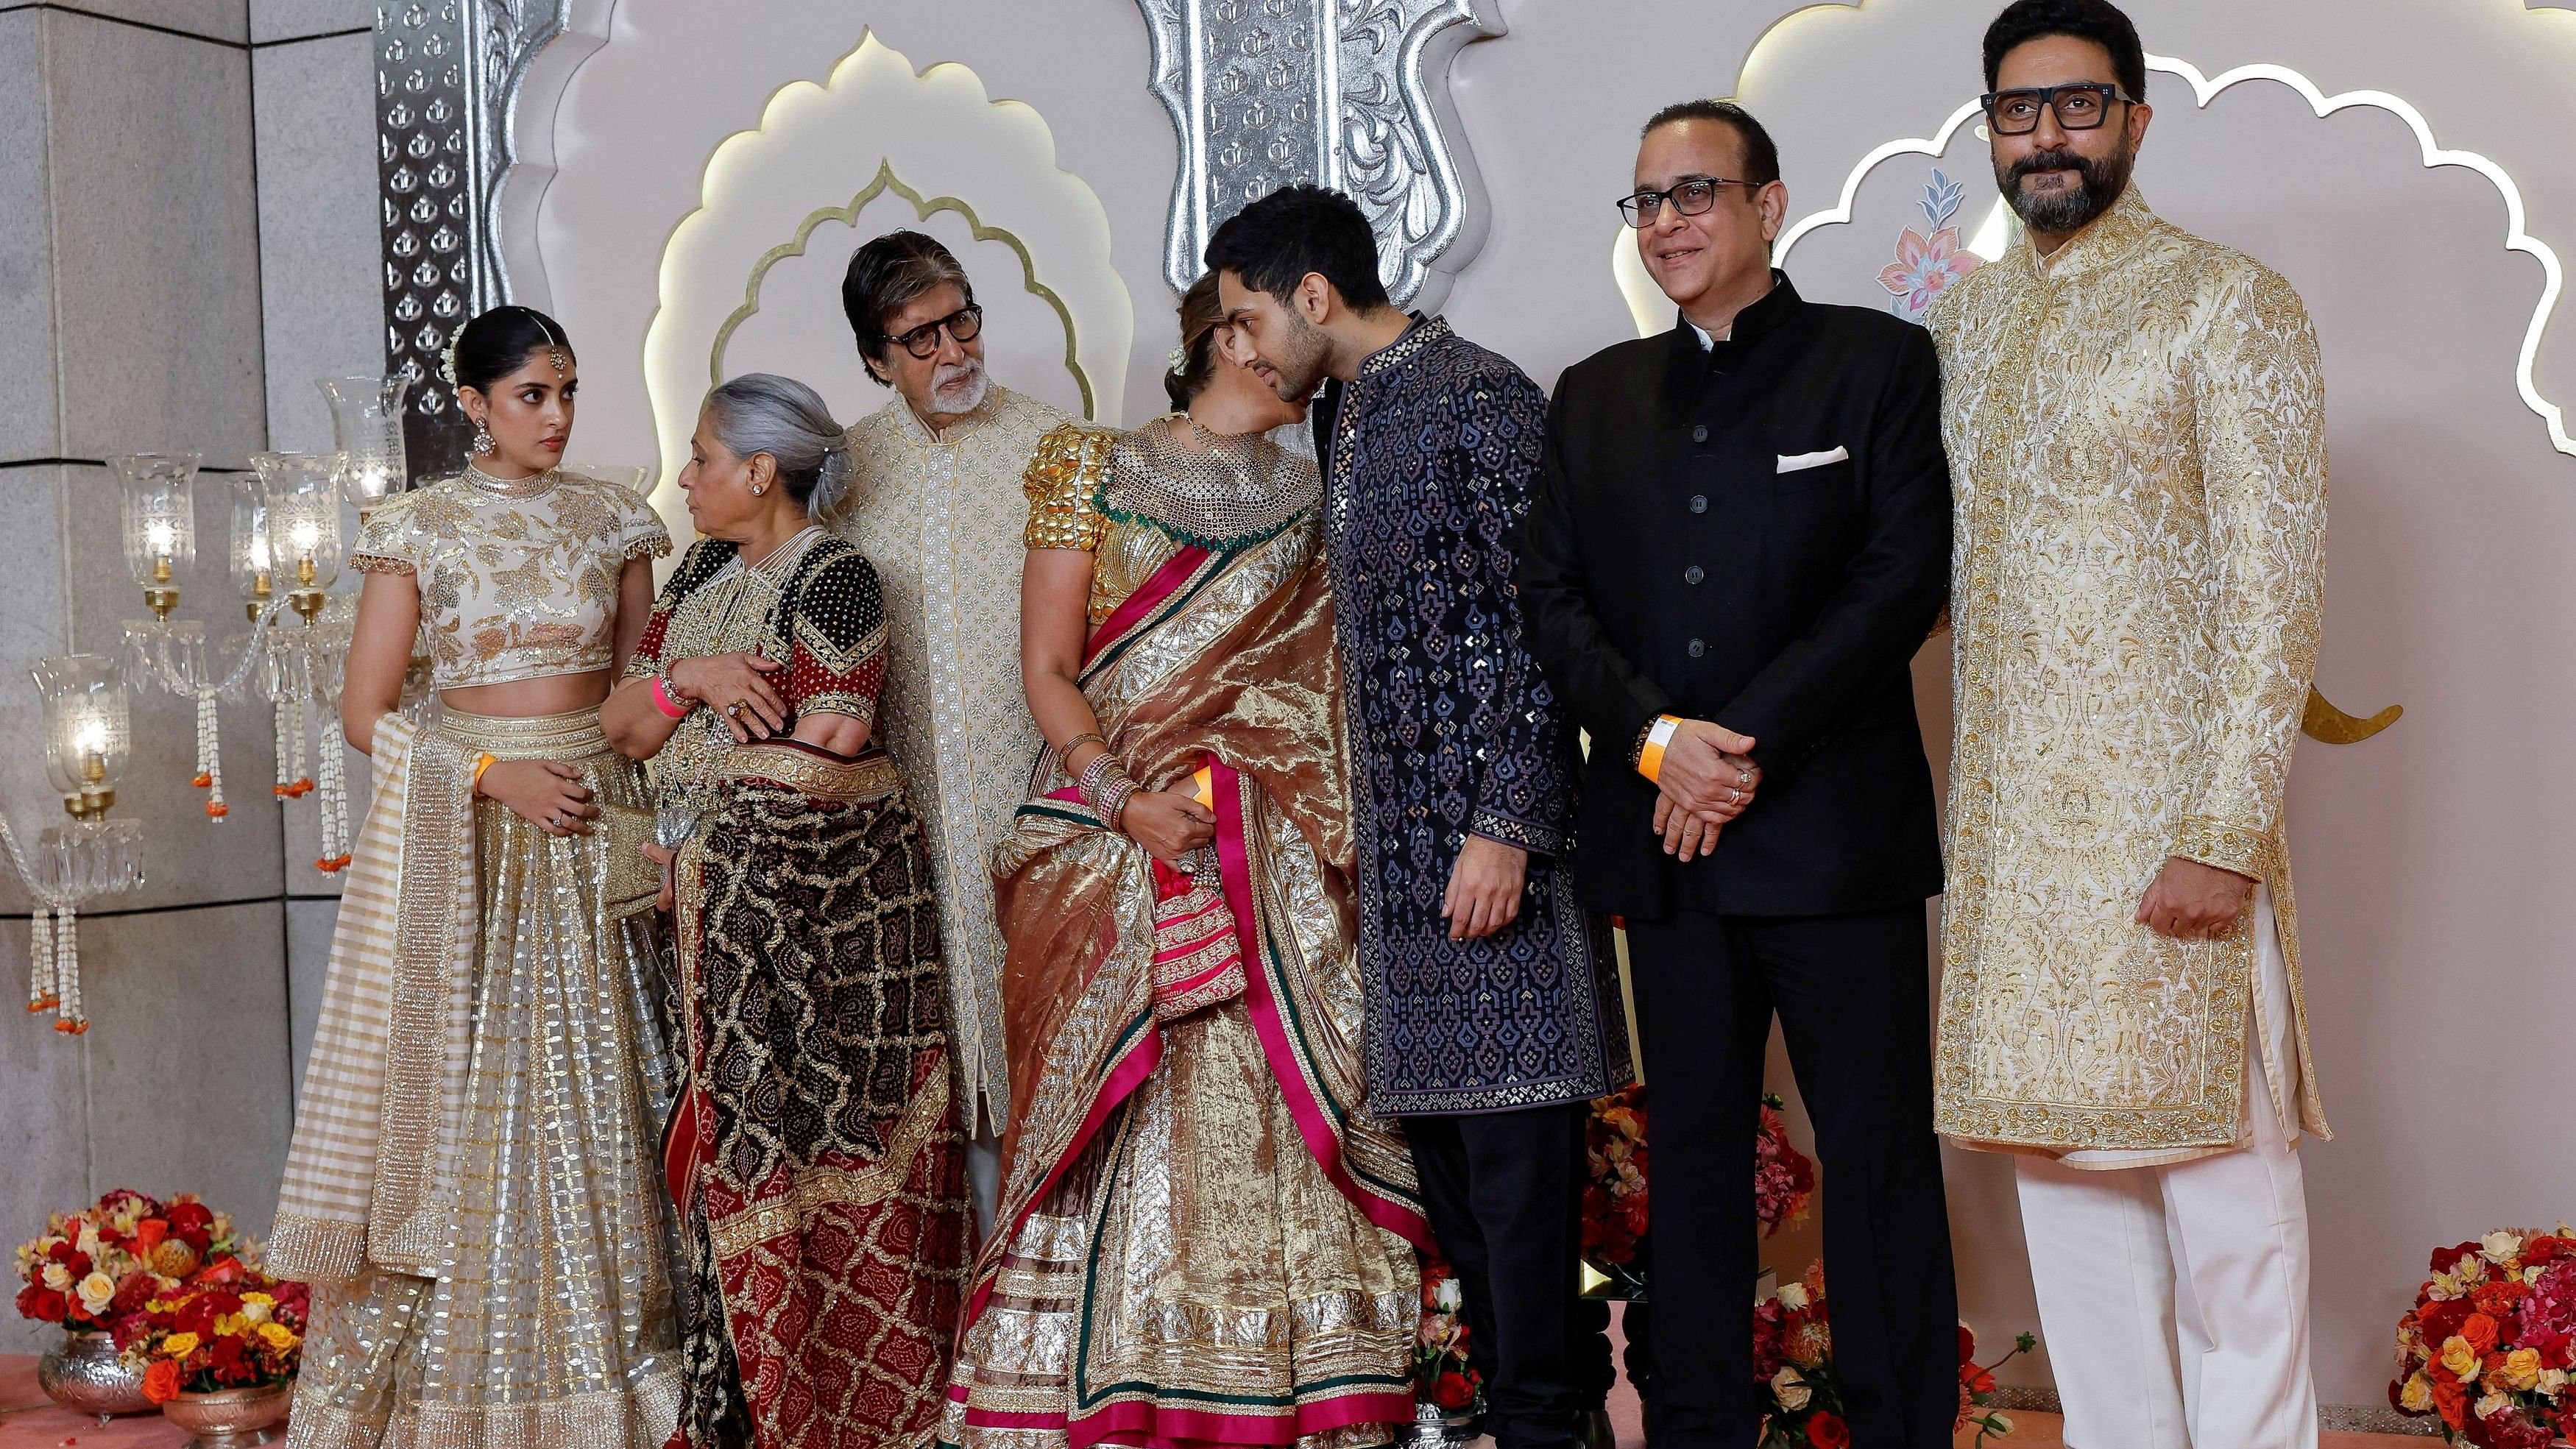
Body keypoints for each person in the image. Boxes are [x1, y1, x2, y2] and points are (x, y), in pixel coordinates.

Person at [1517, 99, 1959, 1449]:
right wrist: (1662, 743)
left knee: (1877, 1164)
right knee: (1693, 1169)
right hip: (1667, 846)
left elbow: (1899, 582)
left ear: (1770, 205)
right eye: (1647, 200)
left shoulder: (1876, 362)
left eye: (1697, 192)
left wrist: (1736, 746)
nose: (1669, 222)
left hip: (1837, 847)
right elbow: (1554, 599)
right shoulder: (1594, 394)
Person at [1927, 4, 2330, 1446]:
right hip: (2020, 857)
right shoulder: (1961, 323)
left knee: (2230, 1211)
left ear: (2136, 121)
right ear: (1988, 127)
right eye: (2016, 110)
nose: (2043, 137)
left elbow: (2274, 587)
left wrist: (2222, 834)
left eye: (2076, 106)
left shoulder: (2228, 301)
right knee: (2072, 1211)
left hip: (2175, 838)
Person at [938, 274, 1427, 1449]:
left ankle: (1301, 1379)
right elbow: (1050, 672)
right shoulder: (1090, 468)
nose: (1318, 367)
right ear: (1236, 337)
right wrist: (1127, 801)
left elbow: (1321, 704)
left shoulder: (1316, 499)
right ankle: (1115, 1376)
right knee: (1133, 1105)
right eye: (1297, 343)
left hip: (1265, 854)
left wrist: (1242, 812)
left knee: (1277, 1082)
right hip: (1109, 840)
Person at [1210, 187, 1627, 1449]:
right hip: (1404, 896)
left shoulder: (1481, 395)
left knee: (1525, 1215)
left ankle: (1554, 1429)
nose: (1238, 344)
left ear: (1316, 298)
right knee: (1468, 1220)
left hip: (1497, 875)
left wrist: (1509, 820)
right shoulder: (1348, 413)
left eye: (1246, 317)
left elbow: (1548, 621)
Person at [269, 305, 682, 1445]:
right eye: (530, 397)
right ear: (471, 405)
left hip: (599, 817)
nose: (555, 416)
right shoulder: (419, 529)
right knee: (479, 1098)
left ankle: (639, 1369)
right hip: (480, 840)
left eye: (566, 392)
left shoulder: (616, 519)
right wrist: (496, 777)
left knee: (619, 1092)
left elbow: (641, 694)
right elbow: (365, 713)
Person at [606, 374, 972, 1449]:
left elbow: (833, 751)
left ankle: (825, 1411)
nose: (687, 477)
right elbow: (625, 725)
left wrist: (701, 839)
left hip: (802, 928)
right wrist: (698, 679)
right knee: (706, 1164)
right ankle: (732, 1405)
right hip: (700, 916)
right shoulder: (706, 568)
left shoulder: (837, 577)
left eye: (704, 457)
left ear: (760, 471)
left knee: (796, 1160)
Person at [829, 231, 1066, 1222]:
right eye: (918, 338)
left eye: (961, 318)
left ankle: (1063, 1312)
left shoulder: (1055, 446)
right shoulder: (842, 473)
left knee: (1050, 1041)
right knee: (929, 1063)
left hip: (1038, 796)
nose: (952, 350)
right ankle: (970, 1318)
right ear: (877, 359)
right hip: (900, 817)